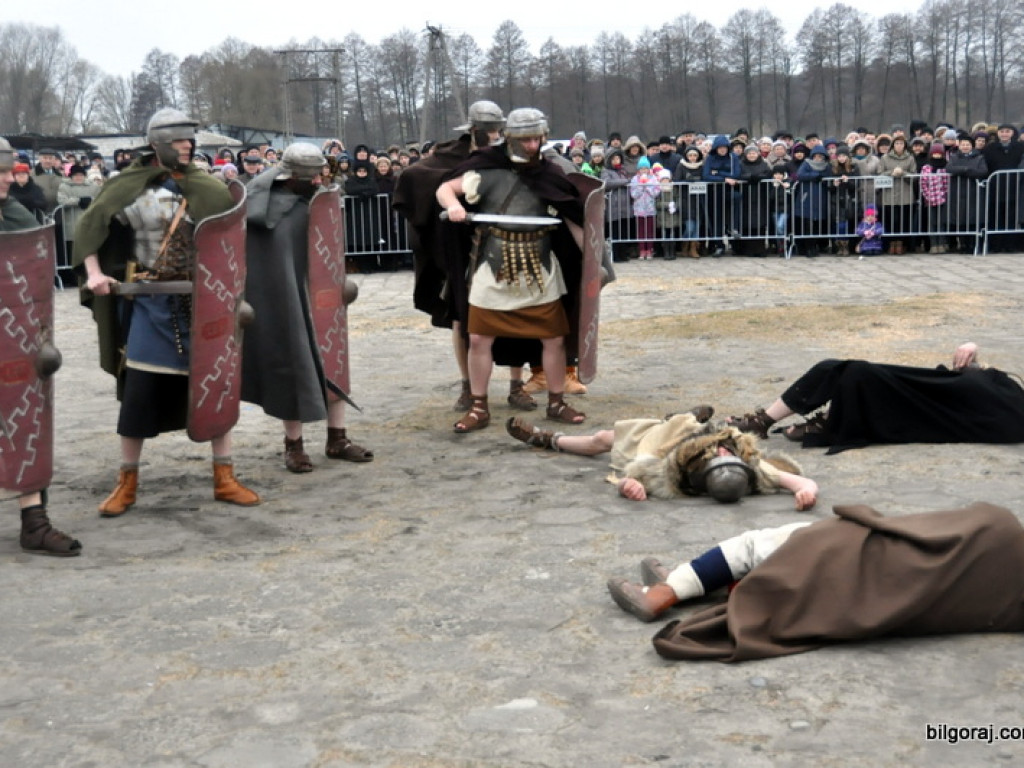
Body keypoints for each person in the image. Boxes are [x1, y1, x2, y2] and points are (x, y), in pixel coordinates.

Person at [73, 108, 260, 516]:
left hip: (204, 302)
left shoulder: (208, 187)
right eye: (179, 140)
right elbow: (90, 226)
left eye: (190, 139)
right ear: (158, 144)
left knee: (215, 387)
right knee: (139, 393)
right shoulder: (128, 186)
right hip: (151, 301)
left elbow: (230, 239)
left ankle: (224, 477)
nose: (188, 146)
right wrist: (94, 273)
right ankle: (127, 482)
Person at [628, 502, 1024, 663]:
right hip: (906, 587)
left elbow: (924, 528)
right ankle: (694, 579)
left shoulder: (1001, 528)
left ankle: (668, 590)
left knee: (765, 544)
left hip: (868, 562)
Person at [435, 107, 587, 432]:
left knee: (554, 339)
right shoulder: (487, 169)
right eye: (525, 139)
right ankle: (478, 407)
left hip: (539, 267)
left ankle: (556, 403)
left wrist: (593, 259)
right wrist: (455, 206)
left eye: (537, 139)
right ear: (510, 139)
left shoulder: (551, 172)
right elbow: (445, 188)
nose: (532, 145)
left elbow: (574, 215)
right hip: (494, 267)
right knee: (479, 338)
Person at [242, 143, 373, 473]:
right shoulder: (263, 207)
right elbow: (266, 261)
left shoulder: (317, 202)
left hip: (323, 299)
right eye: (310, 177)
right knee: (292, 365)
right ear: (289, 176)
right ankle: (294, 445)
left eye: (319, 175)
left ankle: (337, 438)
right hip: (284, 301)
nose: (317, 182)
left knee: (334, 359)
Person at [0, 136, 82, 555]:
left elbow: (30, 256)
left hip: (11, 338)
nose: (6, 179)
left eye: (7, 171)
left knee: (24, 419)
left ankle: (34, 522)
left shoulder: (12, 213)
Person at [728, 342, 1024, 454]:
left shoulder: (1013, 416)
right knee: (841, 370)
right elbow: (963, 377)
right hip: (924, 390)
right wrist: (973, 352)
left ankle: (773, 422)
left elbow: (948, 409)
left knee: (850, 372)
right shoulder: (1010, 393)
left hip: (920, 402)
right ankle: (768, 421)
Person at [505, 407, 817, 507]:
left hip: (652, 447)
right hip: (687, 433)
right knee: (687, 424)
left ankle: (546, 439)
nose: (723, 451)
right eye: (726, 454)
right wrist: (806, 492)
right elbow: (802, 482)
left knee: (601, 439)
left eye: (718, 456)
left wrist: (629, 487)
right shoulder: (749, 462)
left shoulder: (667, 475)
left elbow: (631, 476)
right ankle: (683, 417)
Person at [629, 157, 660, 260]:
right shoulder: (635, 179)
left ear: (648, 169)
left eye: (645, 168)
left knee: (650, 230)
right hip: (639, 209)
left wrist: (647, 186)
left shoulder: (653, 178)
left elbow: (656, 192)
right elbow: (633, 194)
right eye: (641, 168)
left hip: (650, 208)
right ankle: (642, 250)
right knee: (641, 230)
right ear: (639, 169)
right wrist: (641, 186)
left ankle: (649, 249)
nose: (644, 170)